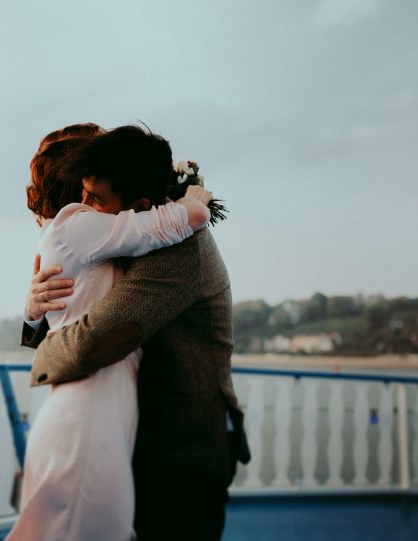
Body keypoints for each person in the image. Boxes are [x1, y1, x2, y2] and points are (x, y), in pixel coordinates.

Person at [23, 135, 250, 540]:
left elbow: (98, 339)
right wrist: (36, 310)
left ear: (140, 205)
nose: (85, 210)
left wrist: (40, 359)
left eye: (94, 199)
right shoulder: (130, 230)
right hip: (141, 443)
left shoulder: (175, 252)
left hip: (180, 455)